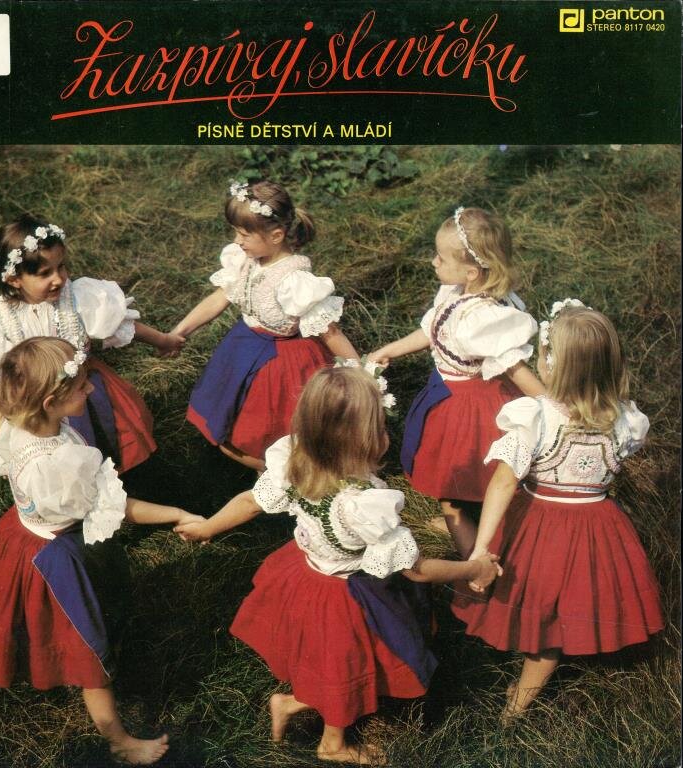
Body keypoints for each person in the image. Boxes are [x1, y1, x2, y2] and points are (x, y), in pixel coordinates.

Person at [176, 365, 501, 764]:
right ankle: (332, 744)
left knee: (328, 664)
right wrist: (473, 569)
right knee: (344, 668)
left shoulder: (295, 460)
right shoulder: (363, 504)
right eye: (380, 426)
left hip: (304, 576)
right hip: (346, 596)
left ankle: (291, 703)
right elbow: (415, 569)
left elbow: (250, 501)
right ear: (365, 439)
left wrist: (208, 527)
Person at [0, 337, 202, 765]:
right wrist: (176, 513)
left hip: (22, 537)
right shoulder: (59, 463)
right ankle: (118, 740)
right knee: (88, 651)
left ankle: (57, 661)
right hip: (55, 557)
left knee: (49, 622)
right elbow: (120, 508)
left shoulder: (19, 427)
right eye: (82, 386)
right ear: (50, 402)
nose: (92, 389)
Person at [452, 301, 665, 723]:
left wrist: (480, 549)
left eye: (544, 354)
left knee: (543, 615)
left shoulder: (536, 417)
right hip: (598, 526)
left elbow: (503, 483)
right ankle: (528, 683)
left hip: (541, 526)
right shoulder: (626, 420)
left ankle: (515, 710)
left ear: (556, 367)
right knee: (566, 603)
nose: (539, 361)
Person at [369, 206, 544, 558]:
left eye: (440, 257)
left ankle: (474, 558)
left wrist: (552, 403)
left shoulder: (482, 319)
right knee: (471, 478)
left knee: (456, 481)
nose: (433, 261)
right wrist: (391, 349)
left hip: (471, 409)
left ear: (471, 271)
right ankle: (470, 521)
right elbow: (432, 330)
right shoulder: (455, 293)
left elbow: (515, 368)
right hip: (447, 394)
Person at [0, 213, 184, 476]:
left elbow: (124, 326)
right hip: (36, 406)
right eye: (45, 273)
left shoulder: (76, 299)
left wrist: (163, 340)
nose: (59, 278)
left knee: (101, 444)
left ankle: (109, 480)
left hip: (82, 392)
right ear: (13, 279)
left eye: (61, 267)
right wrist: (4, 437)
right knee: (53, 468)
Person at [170, 180, 358, 472]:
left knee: (274, 425)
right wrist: (180, 331)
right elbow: (220, 297)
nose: (237, 241)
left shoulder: (294, 281)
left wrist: (360, 373)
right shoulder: (248, 260)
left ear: (276, 235)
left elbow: (330, 332)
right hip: (243, 347)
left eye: (244, 234)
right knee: (235, 413)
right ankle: (270, 472)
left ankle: (286, 475)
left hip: (283, 362)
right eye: (236, 232)